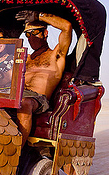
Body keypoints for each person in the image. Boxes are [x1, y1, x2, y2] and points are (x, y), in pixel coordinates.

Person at [15, 11, 72, 147]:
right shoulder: (26, 58)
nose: (31, 37)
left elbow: (67, 27)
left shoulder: (56, 54)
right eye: (27, 34)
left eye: (35, 32)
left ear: (45, 33)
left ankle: (16, 153)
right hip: (17, 94)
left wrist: (37, 16)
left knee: (24, 103)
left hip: (37, 99)